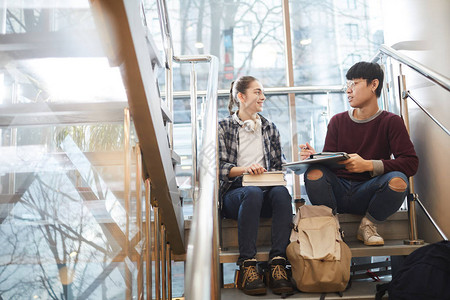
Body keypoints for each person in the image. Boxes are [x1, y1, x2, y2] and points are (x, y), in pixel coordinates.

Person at [299, 61, 418, 246]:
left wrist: (369, 165)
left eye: (354, 84)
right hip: (338, 191)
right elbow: (330, 164)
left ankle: (368, 225)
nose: (348, 90)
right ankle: (332, 226)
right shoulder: (337, 121)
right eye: (347, 85)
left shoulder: (391, 121)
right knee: (314, 174)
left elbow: (410, 163)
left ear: (374, 85)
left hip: (369, 192)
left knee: (398, 180)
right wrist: (317, 158)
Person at [218, 76, 294, 295]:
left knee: (281, 193)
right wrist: (246, 169)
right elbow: (219, 169)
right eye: (257, 92)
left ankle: (278, 262)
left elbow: (280, 167)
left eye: (262, 92)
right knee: (251, 193)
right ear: (241, 97)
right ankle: (247, 263)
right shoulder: (223, 127)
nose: (263, 97)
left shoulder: (269, 128)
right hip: (236, 195)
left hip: (266, 192)